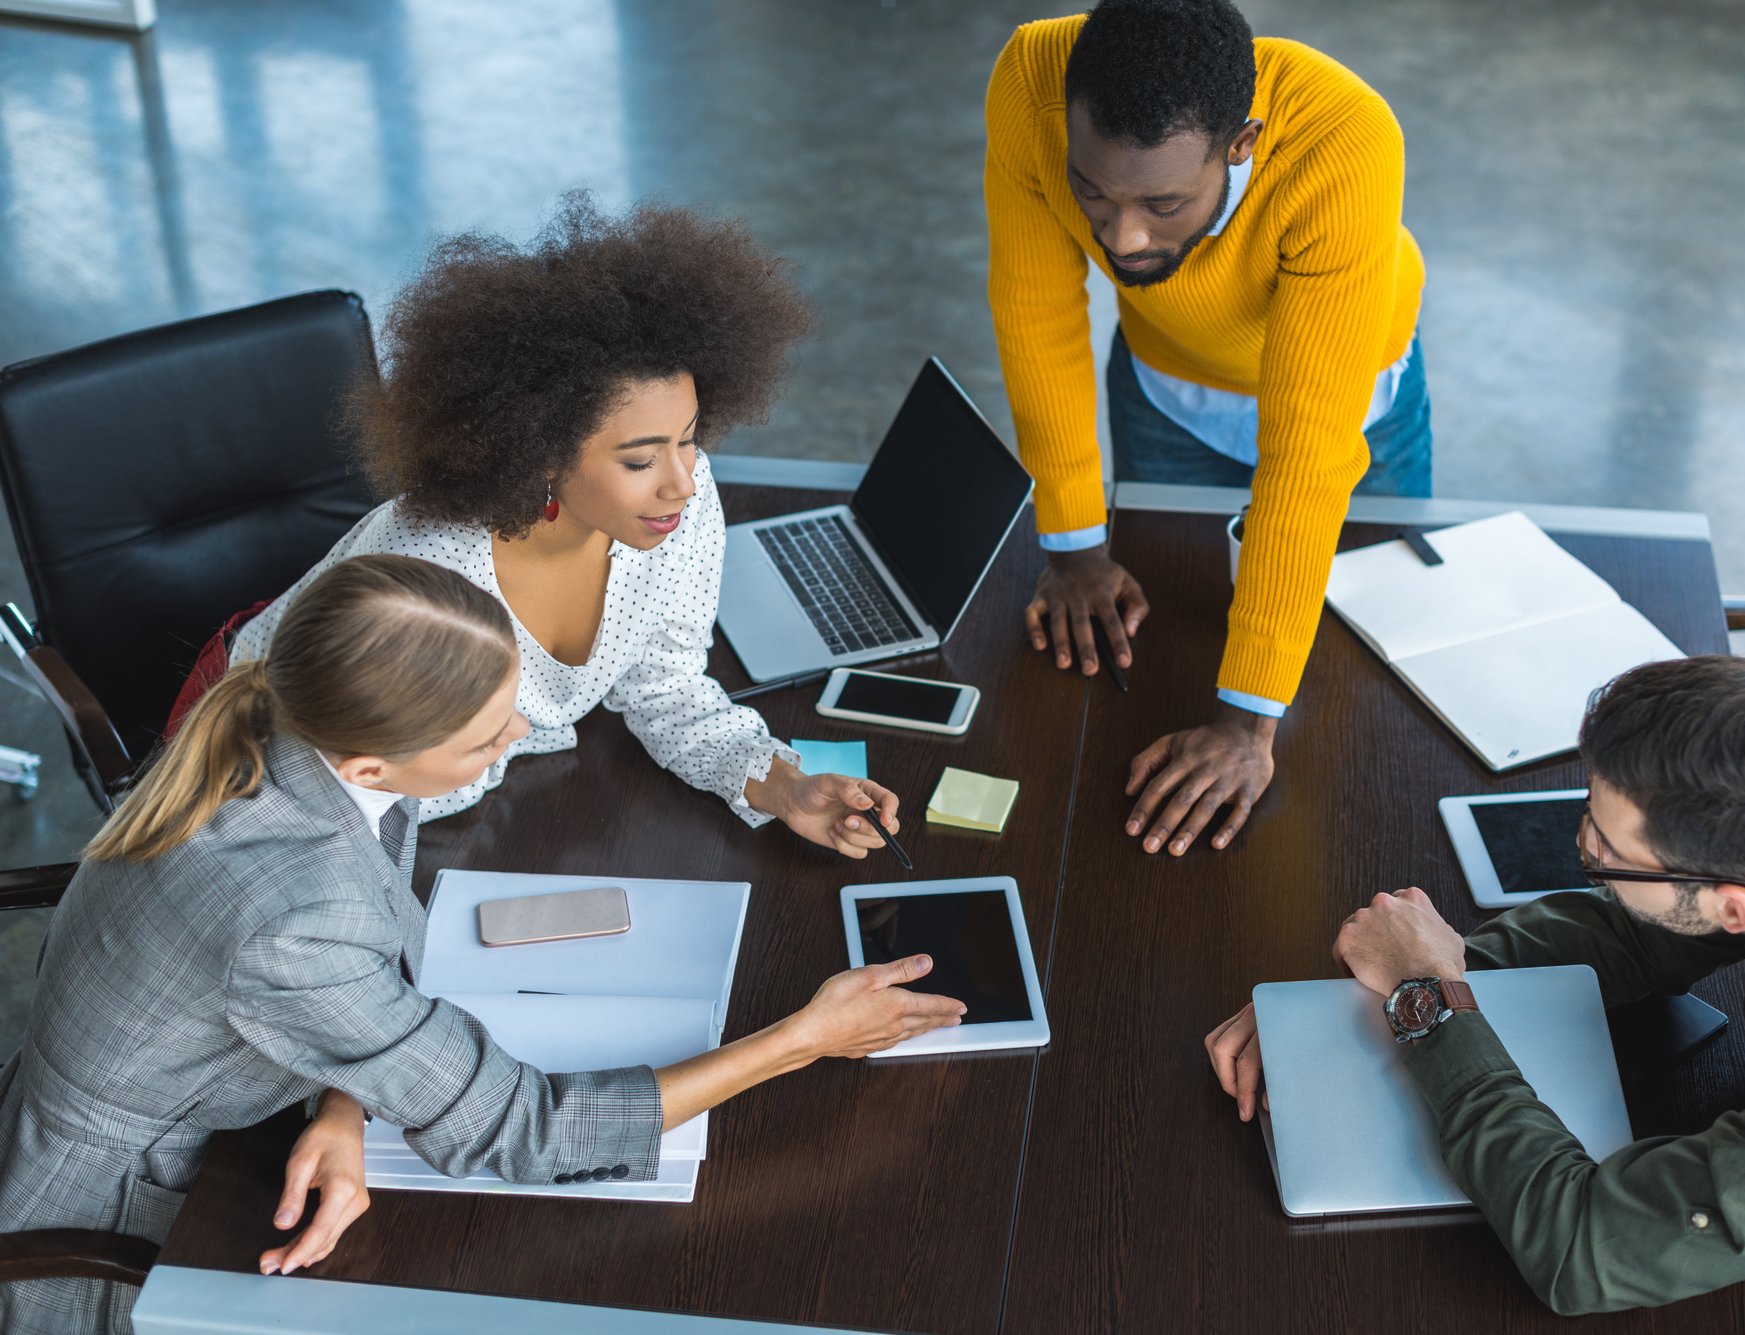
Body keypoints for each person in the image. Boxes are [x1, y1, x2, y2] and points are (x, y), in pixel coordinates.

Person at [0, 556, 965, 1335]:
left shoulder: (291, 727)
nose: (517, 736)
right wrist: (808, 1036)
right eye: (480, 739)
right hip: (121, 1218)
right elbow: (524, 1129)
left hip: (225, 1099)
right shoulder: (294, 910)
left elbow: (351, 945)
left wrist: (344, 1098)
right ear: (373, 762)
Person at [1204, 656, 1745, 1334]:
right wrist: (1403, 974)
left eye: (1608, 853)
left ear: (1735, 906)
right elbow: (1639, 929)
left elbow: (1580, 1246)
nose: (1582, 845)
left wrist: (1429, 999)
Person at [215, 194, 891, 855]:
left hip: (499, 803)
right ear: (540, 450)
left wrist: (783, 786)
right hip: (298, 804)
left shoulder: (678, 501)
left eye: (688, 439)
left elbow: (664, 686)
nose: (682, 480)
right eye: (638, 458)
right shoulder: (425, 572)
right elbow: (326, 783)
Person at [985, 0, 1428, 857]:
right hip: (1168, 390)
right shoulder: (1033, 80)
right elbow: (1035, 311)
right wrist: (1074, 546)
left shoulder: (1346, 137)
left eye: (1164, 201)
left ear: (1242, 143)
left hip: (1347, 400)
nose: (1123, 237)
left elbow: (1306, 451)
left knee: (1357, 685)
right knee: (1160, 651)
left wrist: (1246, 726)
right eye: (1092, 191)